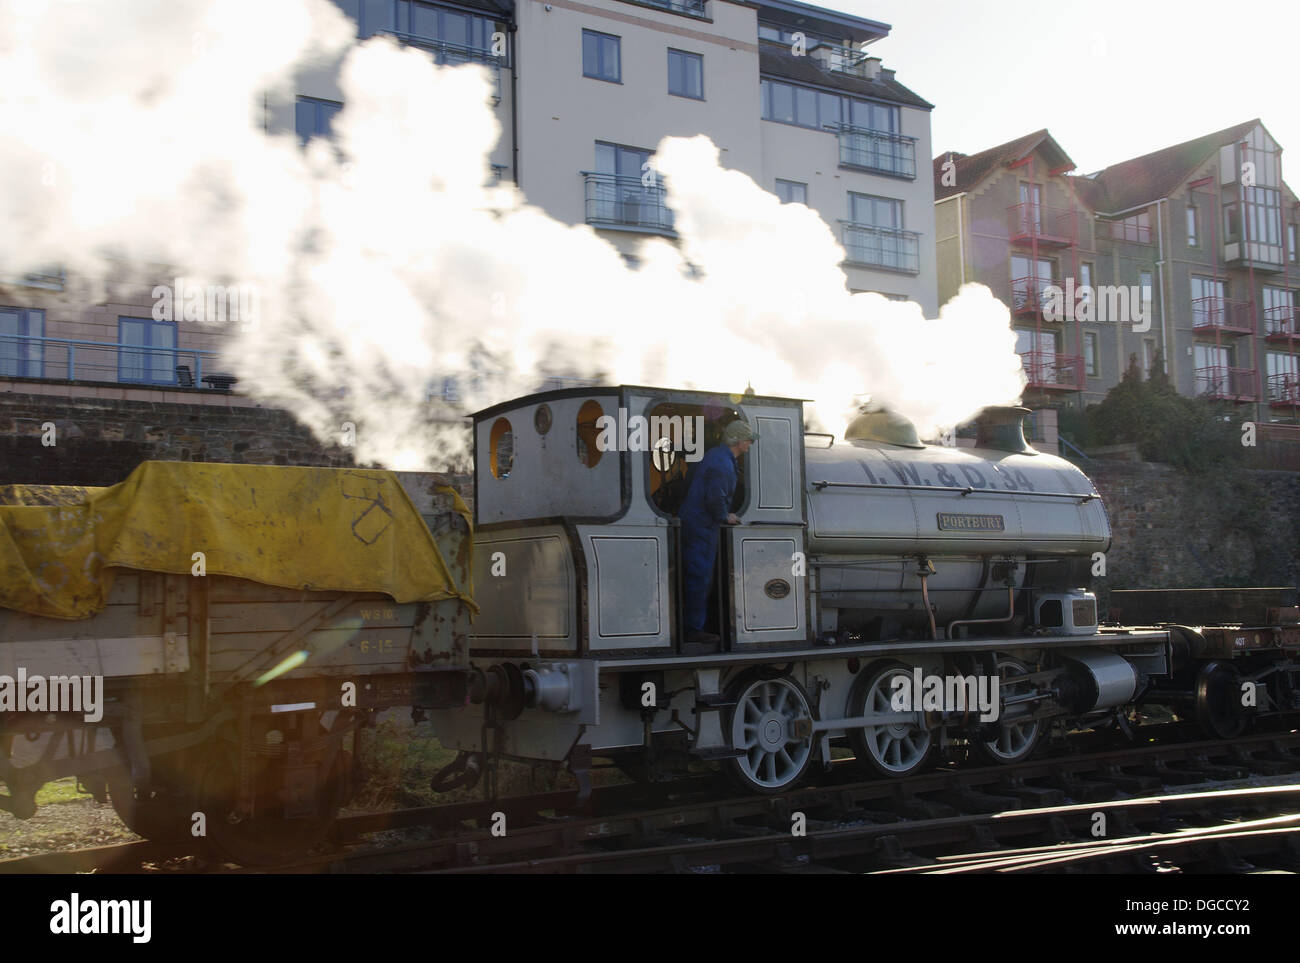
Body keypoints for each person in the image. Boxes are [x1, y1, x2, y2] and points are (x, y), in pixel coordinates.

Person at [678, 419, 756, 644]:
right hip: (702, 526)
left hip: (696, 522)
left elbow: (691, 480)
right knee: (699, 577)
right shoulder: (722, 464)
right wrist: (726, 516)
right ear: (738, 440)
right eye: (748, 440)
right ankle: (693, 629)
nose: (750, 443)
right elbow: (715, 498)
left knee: (698, 575)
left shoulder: (715, 455)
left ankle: (694, 625)